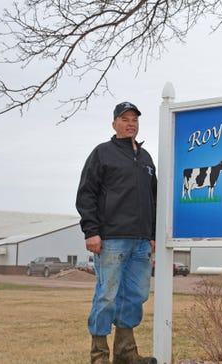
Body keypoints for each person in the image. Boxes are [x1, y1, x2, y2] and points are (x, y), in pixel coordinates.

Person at [76, 101, 158, 364]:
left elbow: (154, 198)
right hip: (111, 239)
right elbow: (86, 193)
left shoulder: (146, 159)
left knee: (135, 296)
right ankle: (99, 355)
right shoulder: (102, 153)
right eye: (124, 119)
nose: (130, 123)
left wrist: (152, 233)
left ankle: (125, 354)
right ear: (114, 124)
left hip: (141, 242)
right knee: (107, 295)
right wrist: (92, 231)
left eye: (134, 119)